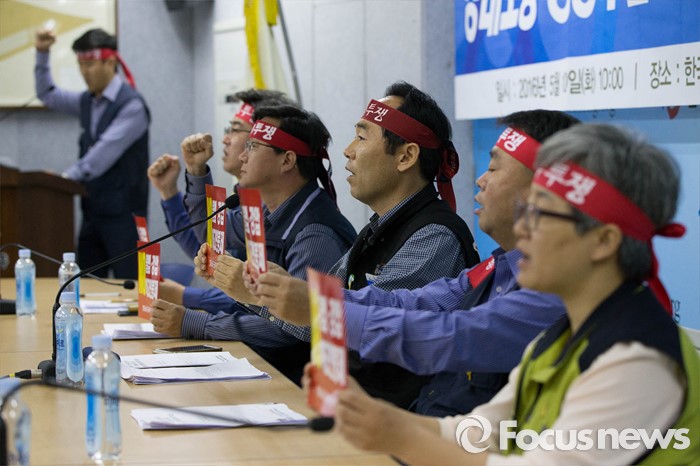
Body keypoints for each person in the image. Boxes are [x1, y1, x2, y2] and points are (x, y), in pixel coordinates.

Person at [327, 123, 700, 465]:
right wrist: (375, 417)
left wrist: (400, 435)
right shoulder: (563, 335)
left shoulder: (636, 361)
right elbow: (482, 431)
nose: (521, 230)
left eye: (540, 215)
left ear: (603, 241)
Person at [252, 110, 578, 416]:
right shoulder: (498, 266)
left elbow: (449, 336)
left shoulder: (552, 291)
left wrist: (321, 311)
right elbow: (410, 303)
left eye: (493, 169)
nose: (480, 180)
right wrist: (310, 300)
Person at [227, 81, 480, 407]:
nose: (347, 150)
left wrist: (272, 297)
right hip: (352, 405)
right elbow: (320, 317)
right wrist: (272, 292)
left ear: (406, 156)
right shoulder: (381, 226)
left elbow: (366, 323)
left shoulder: (434, 237)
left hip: (392, 419)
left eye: (361, 137)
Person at [151, 105, 357, 384]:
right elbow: (211, 234)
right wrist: (196, 173)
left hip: (296, 382)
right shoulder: (267, 212)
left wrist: (196, 322)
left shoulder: (315, 233)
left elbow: (294, 327)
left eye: (252, 146)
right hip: (265, 365)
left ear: (287, 161)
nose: (242, 155)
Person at [147, 89, 295, 308]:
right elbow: (208, 250)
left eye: (235, 130)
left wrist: (185, 296)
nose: (225, 139)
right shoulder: (243, 197)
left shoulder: (272, 208)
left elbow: (253, 301)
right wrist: (169, 192)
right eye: (228, 130)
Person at [34, 28, 149, 278]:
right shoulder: (87, 101)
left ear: (110, 61)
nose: (84, 72)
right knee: (85, 285)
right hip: (92, 211)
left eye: (90, 64)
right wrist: (42, 52)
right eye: (80, 64)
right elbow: (48, 94)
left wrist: (64, 179)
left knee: (128, 285)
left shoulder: (132, 106)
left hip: (124, 217)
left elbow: (102, 155)